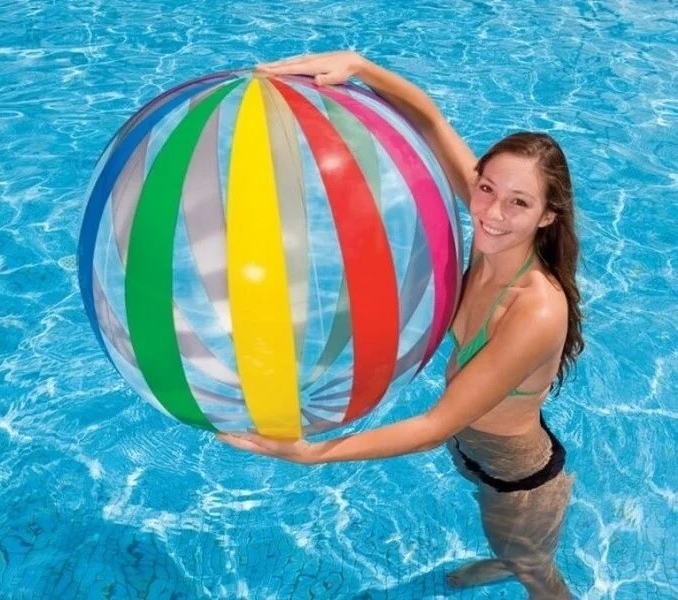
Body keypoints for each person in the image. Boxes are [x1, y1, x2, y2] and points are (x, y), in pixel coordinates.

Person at [219, 51, 584, 599]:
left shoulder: (536, 307)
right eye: (486, 188)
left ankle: (517, 565)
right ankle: (506, 559)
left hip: (516, 477)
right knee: (508, 547)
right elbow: (430, 120)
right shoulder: (492, 232)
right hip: (473, 450)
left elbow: (434, 425)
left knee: (536, 573)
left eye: (519, 203)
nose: (492, 212)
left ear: (547, 216)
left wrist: (314, 454)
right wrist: (358, 65)